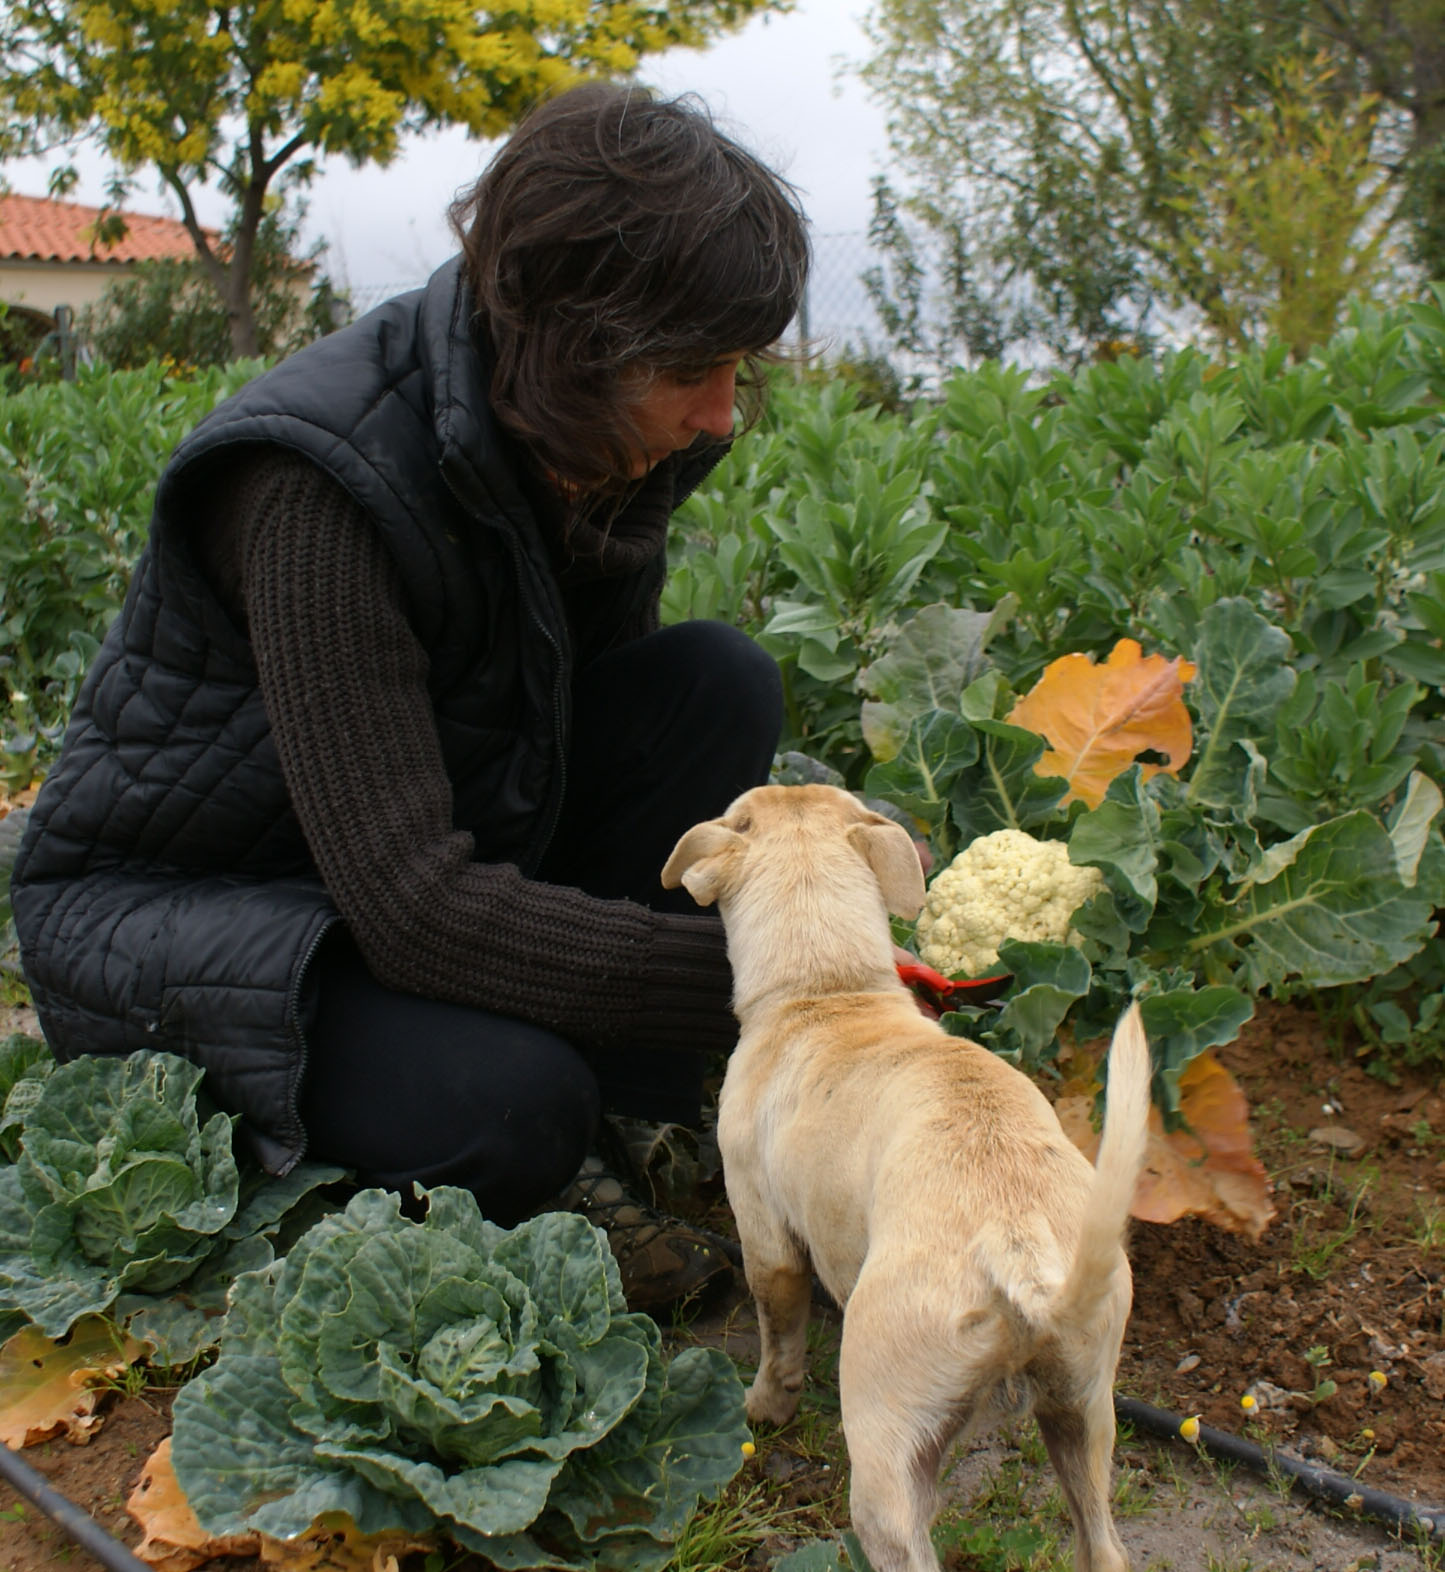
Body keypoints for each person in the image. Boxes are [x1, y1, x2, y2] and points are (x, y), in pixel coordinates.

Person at [10, 82, 810, 1314]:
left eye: (737, 368)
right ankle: (562, 1139)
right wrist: (771, 975)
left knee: (713, 681)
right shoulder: (317, 485)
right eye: (693, 368)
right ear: (566, 339)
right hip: (198, 916)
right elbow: (418, 912)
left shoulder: (588, 429)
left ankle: (639, 1121)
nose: (718, 412)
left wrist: (810, 894)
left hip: (390, 848)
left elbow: (572, 728)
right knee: (512, 1100)